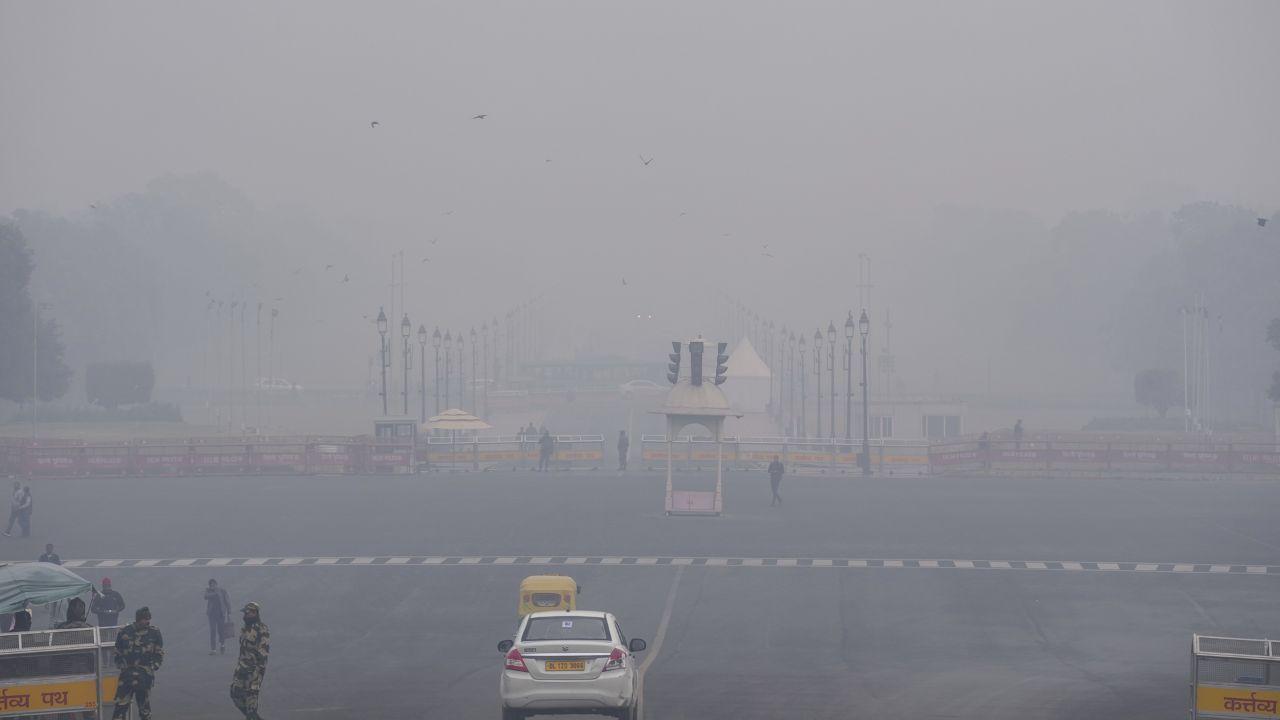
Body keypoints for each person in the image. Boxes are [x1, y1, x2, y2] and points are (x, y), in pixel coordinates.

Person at [112, 607, 164, 720]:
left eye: (148, 619)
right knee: (120, 708)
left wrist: (153, 666)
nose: (147, 621)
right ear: (138, 619)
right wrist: (121, 665)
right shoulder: (125, 632)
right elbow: (117, 651)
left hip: (144, 676)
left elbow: (159, 652)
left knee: (144, 709)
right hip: (127, 676)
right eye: (145, 619)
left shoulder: (154, 633)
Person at [231, 601, 270, 720]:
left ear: (254, 613)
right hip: (241, 668)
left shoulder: (261, 629)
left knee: (251, 703)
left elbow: (263, 653)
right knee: (234, 693)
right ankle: (252, 716)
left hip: (254, 671)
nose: (244, 615)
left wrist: (257, 674)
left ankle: (252, 716)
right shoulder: (244, 629)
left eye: (247, 613)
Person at [205, 579, 232, 655]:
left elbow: (227, 602)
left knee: (221, 631)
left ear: (216, 584)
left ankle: (222, 645)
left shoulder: (223, 591)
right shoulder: (208, 591)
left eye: (214, 584)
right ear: (209, 585)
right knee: (212, 631)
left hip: (221, 614)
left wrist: (229, 613)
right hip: (211, 615)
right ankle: (213, 649)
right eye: (211, 585)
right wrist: (214, 593)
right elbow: (205, 596)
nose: (212, 586)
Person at [40, 543, 63, 619]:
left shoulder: (56, 557)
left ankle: (53, 605)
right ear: (46, 549)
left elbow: (59, 566)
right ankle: (46, 603)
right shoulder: (42, 557)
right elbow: (40, 566)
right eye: (48, 548)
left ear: (52, 549)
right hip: (45, 578)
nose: (49, 550)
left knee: (53, 591)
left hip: (53, 577)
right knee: (46, 591)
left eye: (50, 548)